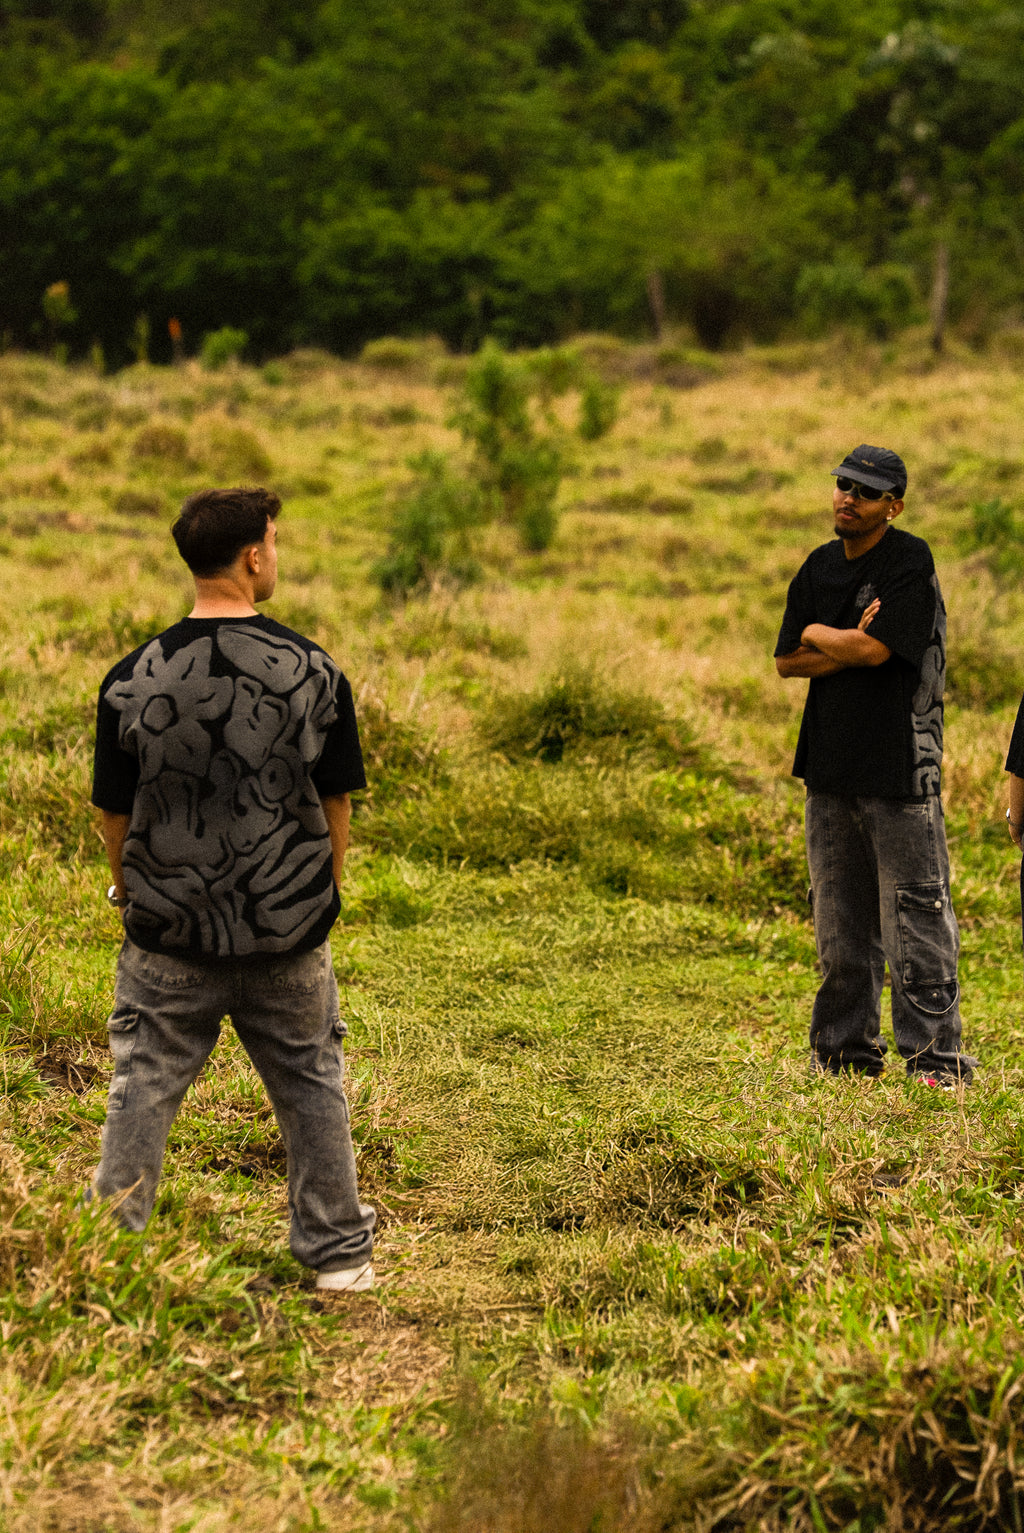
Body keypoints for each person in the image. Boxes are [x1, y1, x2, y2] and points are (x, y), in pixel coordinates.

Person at [90, 486, 376, 1291]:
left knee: (141, 1083)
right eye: (274, 542)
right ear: (254, 555)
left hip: (167, 934)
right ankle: (339, 1256)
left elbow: (113, 812)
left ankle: (110, 1252)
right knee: (311, 1081)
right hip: (287, 929)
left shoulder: (130, 678)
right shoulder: (315, 670)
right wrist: (321, 896)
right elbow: (337, 798)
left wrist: (129, 896)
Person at [774, 445, 975, 1085]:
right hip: (829, 772)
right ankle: (843, 1056)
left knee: (915, 918)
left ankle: (933, 1062)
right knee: (839, 926)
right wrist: (843, 644)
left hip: (898, 771)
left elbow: (876, 649)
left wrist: (822, 635)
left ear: (894, 506)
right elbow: (787, 660)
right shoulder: (818, 566)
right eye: (841, 485)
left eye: (864, 491)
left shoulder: (908, 561)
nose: (846, 498)